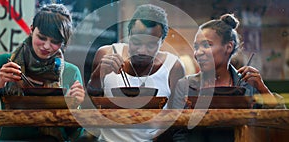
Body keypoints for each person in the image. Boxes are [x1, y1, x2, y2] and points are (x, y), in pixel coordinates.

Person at [170, 13, 286, 142]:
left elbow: (281, 120)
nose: (198, 52)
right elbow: (178, 132)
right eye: (196, 47)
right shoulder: (185, 85)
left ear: (228, 47)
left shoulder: (247, 84)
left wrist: (262, 89)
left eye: (207, 45)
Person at [86, 4, 185, 141]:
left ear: (162, 41)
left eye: (151, 45)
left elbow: (177, 117)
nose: (142, 51)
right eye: (136, 42)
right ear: (129, 34)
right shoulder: (107, 53)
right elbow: (89, 106)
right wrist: (97, 74)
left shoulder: (173, 66)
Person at [0, 4, 85, 141]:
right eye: (42, 37)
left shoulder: (71, 72)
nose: (46, 46)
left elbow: (76, 134)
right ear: (32, 29)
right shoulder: (7, 62)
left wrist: (74, 107)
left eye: (55, 41)